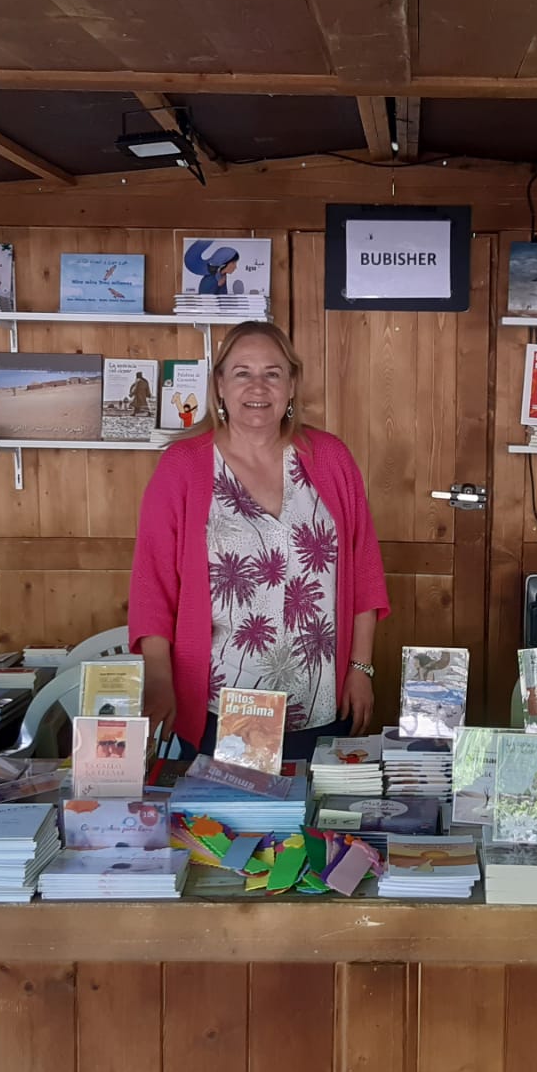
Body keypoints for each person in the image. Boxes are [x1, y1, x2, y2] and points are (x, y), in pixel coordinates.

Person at [129, 321, 388, 762]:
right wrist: (159, 679)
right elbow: (152, 585)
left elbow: (364, 571)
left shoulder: (330, 458)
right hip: (221, 703)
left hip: (320, 699)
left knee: (315, 807)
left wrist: (360, 669)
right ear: (219, 385)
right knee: (229, 808)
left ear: (291, 385)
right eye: (242, 373)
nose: (258, 387)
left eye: (272, 373)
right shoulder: (183, 466)